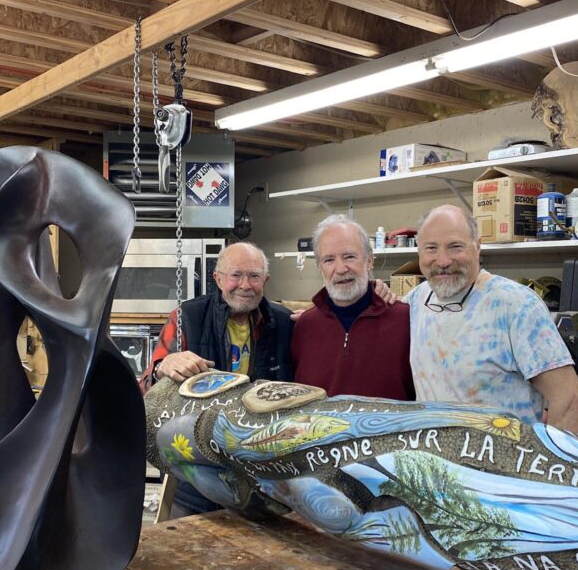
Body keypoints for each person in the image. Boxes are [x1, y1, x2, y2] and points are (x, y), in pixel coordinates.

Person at [405, 204, 578, 432]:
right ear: (419, 252)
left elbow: (571, 400)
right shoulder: (415, 301)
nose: (443, 260)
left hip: (503, 463)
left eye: (455, 247)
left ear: (478, 247)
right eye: (431, 248)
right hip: (433, 461)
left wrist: (553, 465)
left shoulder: (515, 305)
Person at [141, 241, 294, 515]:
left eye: (254, 276)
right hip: (196, 478)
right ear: (218, 278)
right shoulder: (187, 318)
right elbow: (147, 389)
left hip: (263, 478)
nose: (245, 285)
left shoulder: (284, 322)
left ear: (266, 280)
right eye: (236, 275)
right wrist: (163, 366)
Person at [292, 215, 414, 399]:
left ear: (369, 260)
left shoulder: (406, 320)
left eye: (349, 256)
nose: (340, 269)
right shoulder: (305, 326)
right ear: (319, 267)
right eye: (328, 260)